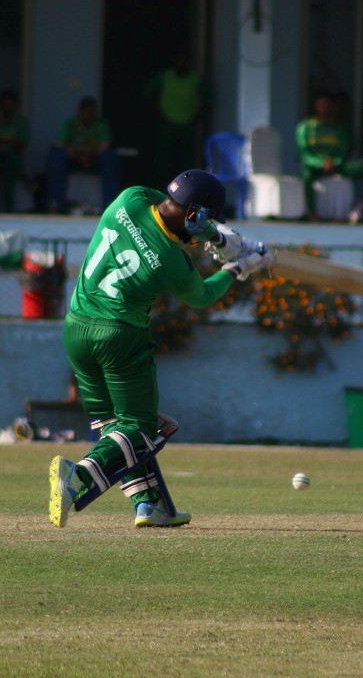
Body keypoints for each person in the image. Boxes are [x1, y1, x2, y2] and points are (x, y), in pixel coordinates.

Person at [48, 169, 269, 529]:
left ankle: (149, 506)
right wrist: (236, 267)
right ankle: (77, 478)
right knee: (141, 427)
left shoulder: (130, 198)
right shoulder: (170, 260)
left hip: (75, 329)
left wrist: (214, 235)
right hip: (118, 336)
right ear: (194, 214)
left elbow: (173, 208)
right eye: (205, 220)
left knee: (115, 429)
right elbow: (203, 296)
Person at [295, 91, 363, 220]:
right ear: (315, 105)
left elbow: (343, 152)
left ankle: (349, 212)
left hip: (335, 166)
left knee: (362, 168)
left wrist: (334, 163)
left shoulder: (338, 129)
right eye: (321, 104)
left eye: (327, 104)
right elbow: (304, 153)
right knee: (307, 175)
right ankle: (312, 213)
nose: (325, 107)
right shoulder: (305, 127)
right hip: (315, 167)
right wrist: (320, 163)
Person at [44, 96, 121, 213]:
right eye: (85, 111)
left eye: (90, 111)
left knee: (109, 157)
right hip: (74, 159)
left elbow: (105, 144)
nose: (87, 114)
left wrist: (90, 153)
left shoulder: (100, 124)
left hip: (94, 160)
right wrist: (78, 154)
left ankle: (109, 205)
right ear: (80, 111)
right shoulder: (71, 123)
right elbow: (60, 143)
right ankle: (55, 204)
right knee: (56, 155)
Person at [144, 51, 209, 186]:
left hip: (187, 127)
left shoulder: (196, 80)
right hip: (167, 125)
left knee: (186, 164)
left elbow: (208, 100)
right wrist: (158, 113)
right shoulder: (165, 77)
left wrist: (197, 117)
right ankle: (160, 190)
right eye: (179, 60)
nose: (181, 64)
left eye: (184, 60)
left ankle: (186, 191)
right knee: (163, 161)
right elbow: (147, 92)